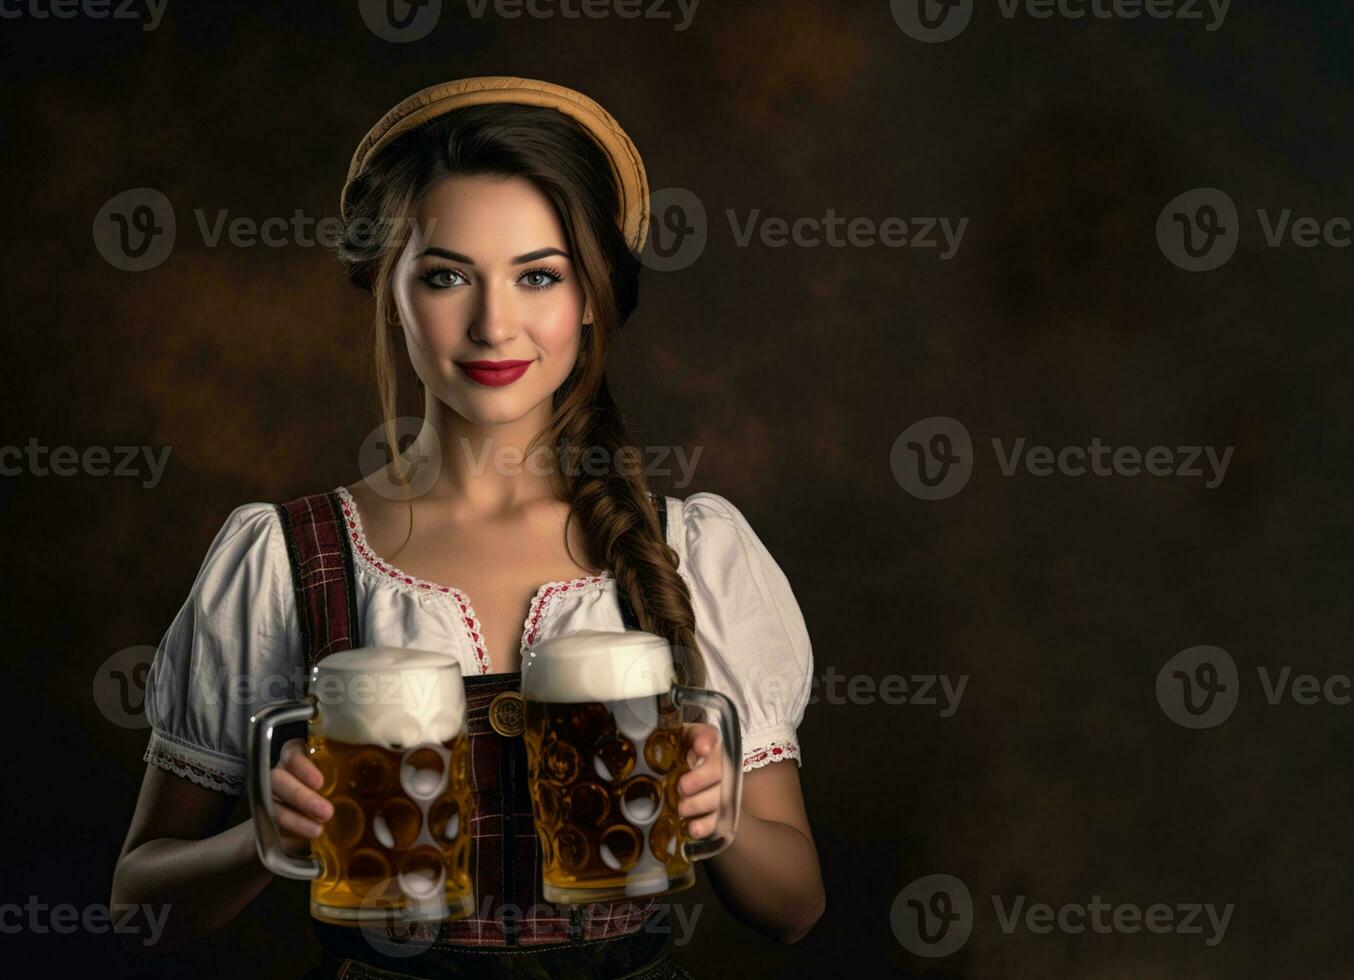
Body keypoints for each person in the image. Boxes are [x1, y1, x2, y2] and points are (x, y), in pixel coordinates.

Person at [110, 77, 825, 979]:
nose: (494, 324)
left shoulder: (694, 550)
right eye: (447, 276)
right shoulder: (284, 558)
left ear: (592, 296)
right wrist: (264, 840)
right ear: (389, 293)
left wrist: (721, 823)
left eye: (539, 275)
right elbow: (140, 907)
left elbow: (795, 909)